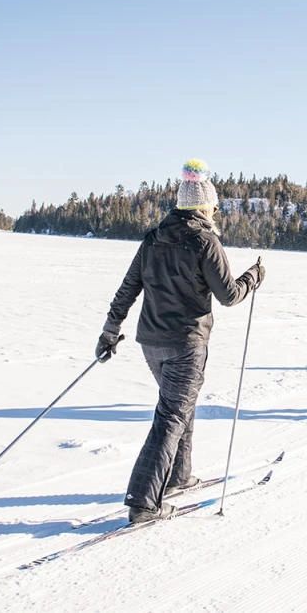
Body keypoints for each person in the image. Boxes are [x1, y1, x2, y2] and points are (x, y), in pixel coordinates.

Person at [97, 159, 263, 524]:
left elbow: (128, 290)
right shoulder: (205, 242)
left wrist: (110, 331)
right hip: (186, 344)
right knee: (171, 415)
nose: (215, 212)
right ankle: (144, 501)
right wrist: (253, 277)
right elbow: (230, 295)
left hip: (151, 344)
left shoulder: (153, 239)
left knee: (177, 407)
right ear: (204, 207)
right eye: (214, 207)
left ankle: (178, 475)